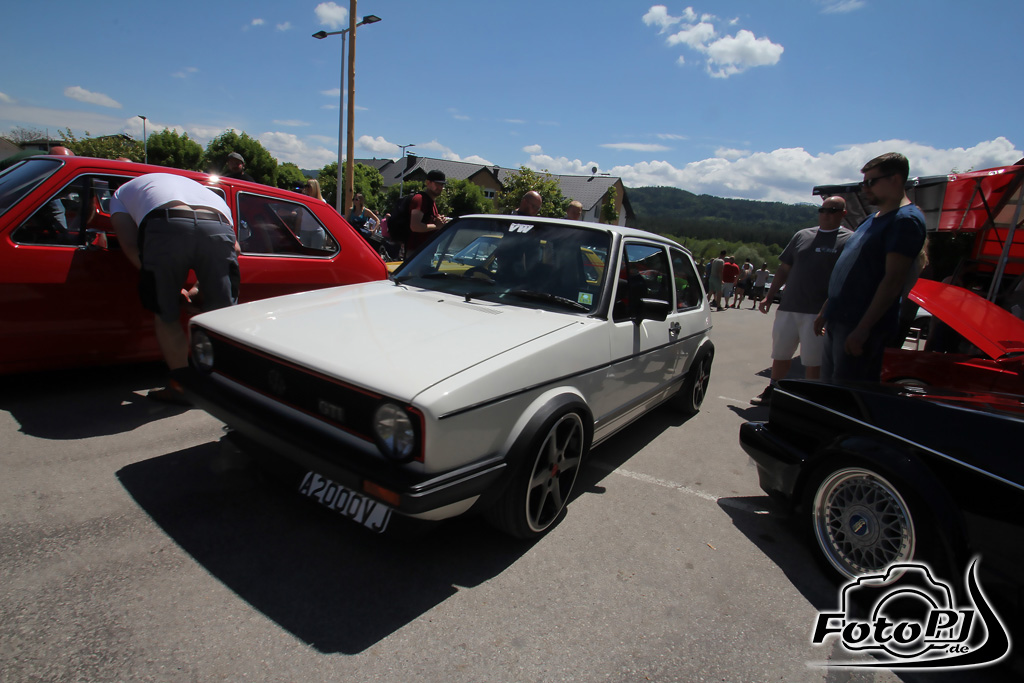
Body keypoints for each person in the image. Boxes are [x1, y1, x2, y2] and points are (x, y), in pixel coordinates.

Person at [110, 173, 240, 403]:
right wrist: (198, 288)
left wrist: (169, 286)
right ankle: (226, 387)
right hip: (217, 223)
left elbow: (130, 245)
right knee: (221, 318)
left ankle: (182, 388)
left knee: (166, 315)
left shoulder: (121, 193)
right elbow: (235, 248)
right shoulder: (205, 192)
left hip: (165, 224)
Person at [815, 153, 926, 383]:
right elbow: (849, 268)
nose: (864, 188)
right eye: (863, 183)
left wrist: (864, 328)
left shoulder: (905, 220)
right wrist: (826, 309)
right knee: (828, 390)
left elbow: (893, 280)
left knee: (847, 393)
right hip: (840, 317)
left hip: (860, 323)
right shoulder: (872, 219)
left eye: (871, 182)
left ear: (895, 179)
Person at [751, 196, 853, 406]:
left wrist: (828, 310)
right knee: (781, 353)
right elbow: (784, 268)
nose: (826, 214)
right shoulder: (802, 235)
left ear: (843, 214)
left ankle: (809, 399)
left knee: (813, 359)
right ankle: (774, 390)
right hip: (789, 306)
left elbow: (847, 279)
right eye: (822, 210)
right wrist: (769, 296)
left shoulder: (849, 239)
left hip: (817, 312)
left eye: (832, 210)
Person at [406, 169, 449, 257]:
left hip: (425, 252)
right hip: (416, 253)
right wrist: (437, 226)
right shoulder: (420, 199)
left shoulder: (431, 201)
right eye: (437, 184)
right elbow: (415, 226)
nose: (440, 187)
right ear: (428, 183)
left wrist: (439, 221)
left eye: (442, 184)